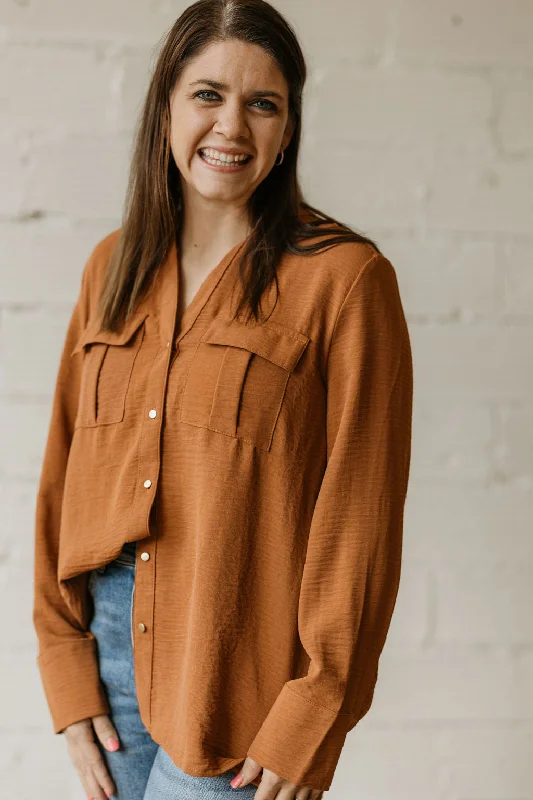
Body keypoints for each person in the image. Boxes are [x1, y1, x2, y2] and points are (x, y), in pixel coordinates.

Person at [32, 1, 414, 799]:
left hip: (238, 677)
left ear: (287, 127)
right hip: (106, 660)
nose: (230, 125)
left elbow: (358, 516)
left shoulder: (344, 282)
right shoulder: (111, 267)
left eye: (262, 103)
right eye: (207, 95)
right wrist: (64, 668)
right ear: (165, 106)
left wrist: (314, 708)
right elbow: (62, 477)